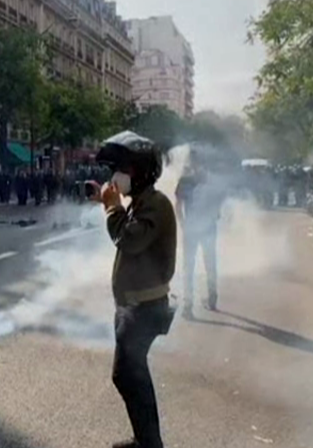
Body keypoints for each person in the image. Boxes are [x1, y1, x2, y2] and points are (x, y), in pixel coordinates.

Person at [89, 131, 177, 448]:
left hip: (145, 309)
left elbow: (129, 239)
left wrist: (112, 208)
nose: (117, 176)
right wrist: (113, 204)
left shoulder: (156, 203)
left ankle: (150, 444)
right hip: (134, 306)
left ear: (140, 172)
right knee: (130, 376)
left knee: (130, 376)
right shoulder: (141, 202)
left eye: (123, 169)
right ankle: (146, 440)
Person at [175, 147, 227, 316]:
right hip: (208, 227)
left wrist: (183, 224)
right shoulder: (212, 180)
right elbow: (219, 204)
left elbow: (178, 205)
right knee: (209, 264)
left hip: (192, 228)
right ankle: (211, 298)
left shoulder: (185, 179)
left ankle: (188, 305)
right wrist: (214, 215)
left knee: (189, 266)